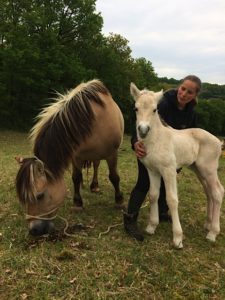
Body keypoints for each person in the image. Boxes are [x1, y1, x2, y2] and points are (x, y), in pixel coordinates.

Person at [124, 75, 202, 241]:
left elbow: (188, 135)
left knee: (166, 185)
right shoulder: (163, 103)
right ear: (179, 87)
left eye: (189, 92)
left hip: (171, 153)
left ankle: (160, 213)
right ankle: (130, 219)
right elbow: (142, 119)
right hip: (149, 149)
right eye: (182, 88)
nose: (184, 94)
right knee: (144, 183)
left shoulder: (191, 114)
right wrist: (135, 142)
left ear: (194, 95)